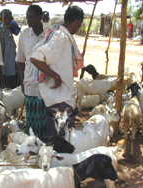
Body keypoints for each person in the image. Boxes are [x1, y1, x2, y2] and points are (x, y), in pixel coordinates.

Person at [30, 5, 84, 137]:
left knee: (58, 143)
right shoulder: (61, 37)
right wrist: (56, 76)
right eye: (80, 24)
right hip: (60, 101)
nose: (79, 27)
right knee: (62, 143)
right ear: (77, 21)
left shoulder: (61, 34)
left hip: (59, 99)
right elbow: (36, 57)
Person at [16, 5, 46, 140]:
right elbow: (20, 61)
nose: (29, 21)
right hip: (30, 84)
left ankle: (46, 149)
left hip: (47, 84)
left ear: (40, 17)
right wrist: (22, 80)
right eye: (28, 18)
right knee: (32, 122)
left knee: (46, 120)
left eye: (32, 18)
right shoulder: (24, 35)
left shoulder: (49, 34)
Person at [0, 9, 18, 89]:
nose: (7, 21)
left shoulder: (9, 30)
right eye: (5, 19)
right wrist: (1, 74)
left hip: (13, 69)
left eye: (9, 18)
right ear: (1, 19)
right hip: (5, 72)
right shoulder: (0, 33)